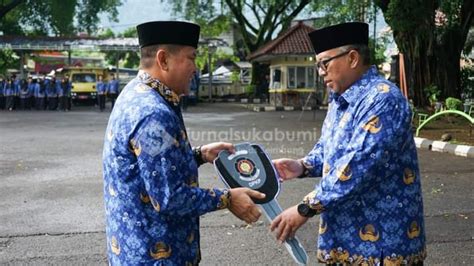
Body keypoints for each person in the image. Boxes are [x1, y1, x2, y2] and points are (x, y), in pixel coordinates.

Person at [102, 21, 264, 265]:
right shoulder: (152, 113)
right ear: (163, 59)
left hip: (132, 250)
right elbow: (169, 197)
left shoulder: (136, 93)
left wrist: (198, 155)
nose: (195, 69)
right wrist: (228, 198)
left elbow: (150, 165)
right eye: (191, 58)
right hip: (155, 256)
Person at [270, 22, 426, 265]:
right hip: (343, 239)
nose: (321, 71)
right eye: (317, 65)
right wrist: (301, 166)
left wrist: (305, 208)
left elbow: (357, 165)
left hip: (382, 245)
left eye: (325, 63)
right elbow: (329, 148)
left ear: (352, 58)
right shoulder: (340, 99)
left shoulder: (383, 99)